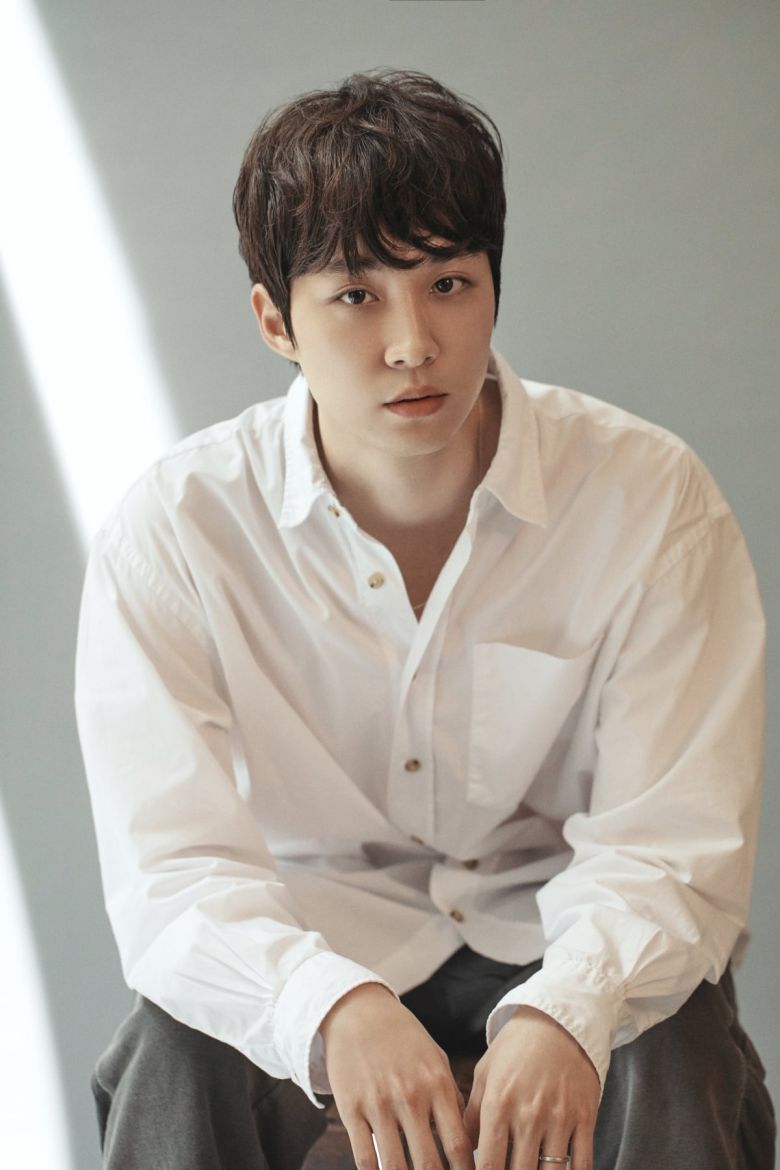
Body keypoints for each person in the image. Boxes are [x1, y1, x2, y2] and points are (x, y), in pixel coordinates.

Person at [75, 69, 775, 1170]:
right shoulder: (176, 530)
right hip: (317, 931)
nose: (413, 342)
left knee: (668, 1033)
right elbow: (174, 873)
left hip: (556, 926)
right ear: (275, 320)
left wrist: (568, 1010)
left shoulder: (650, 500)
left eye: (448, 283)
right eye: (357, 296)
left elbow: (672, 843)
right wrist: (332, 1004)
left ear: (494, 285)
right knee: (176, 1047)